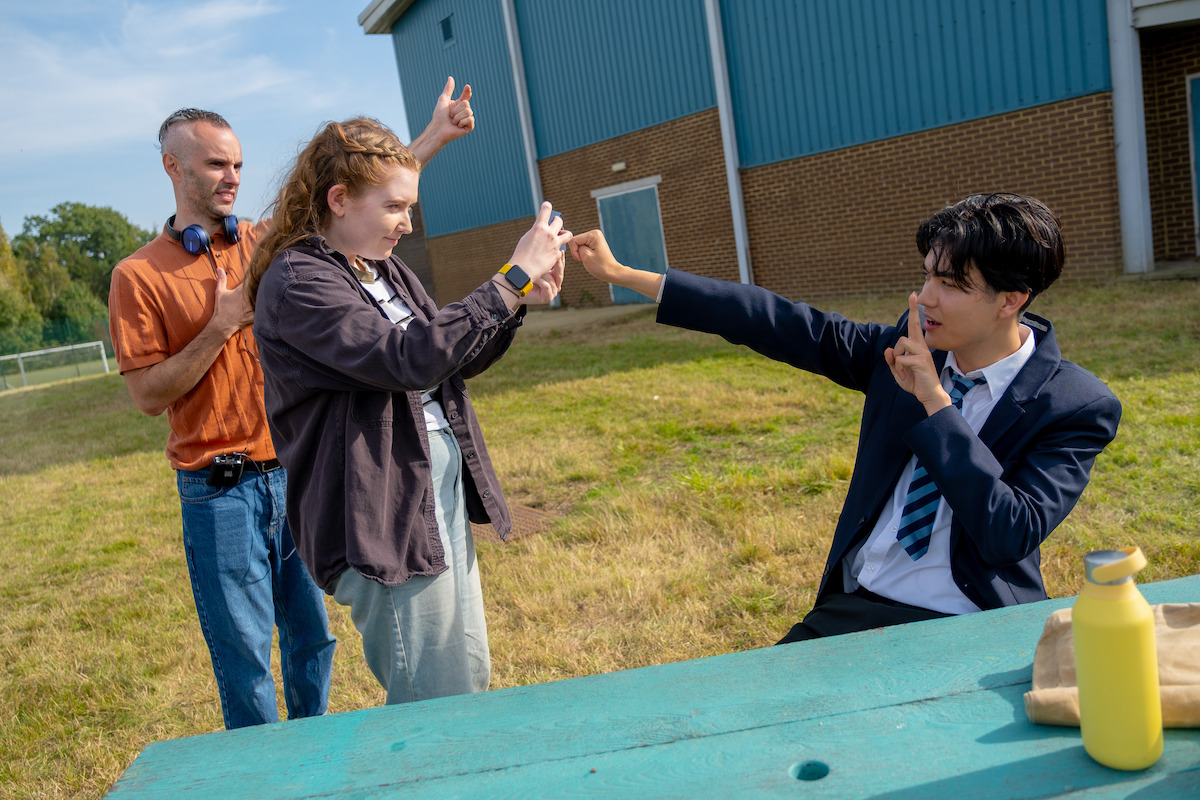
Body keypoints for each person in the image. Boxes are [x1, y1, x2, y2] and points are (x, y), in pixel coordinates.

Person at [570, 193, 1122, 642]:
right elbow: (774, 321)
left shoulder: (1074, 405)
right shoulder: (899, 349)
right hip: (858, 606)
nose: (924, 298)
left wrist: (937, 404)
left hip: (971, 621)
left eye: (951, 285)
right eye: (927, 276)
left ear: (1011, 300)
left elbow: (1009, 533)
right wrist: (624, 274)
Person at [107, 78, 476, 728]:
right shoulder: (137, 276)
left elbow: (351, 193)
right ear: (172, 166)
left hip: (295, 475)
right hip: (218, 492)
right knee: (245, 656)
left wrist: (434, 138)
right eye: (215, 164)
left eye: (238, 164)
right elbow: (146, 395)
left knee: (313, 642)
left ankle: (315, 762)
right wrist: (220, 325)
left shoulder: (265, 246)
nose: (232, 177)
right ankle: (263, 771)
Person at [244, 116, 569, 704]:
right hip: (382, 515)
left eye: (410, 207)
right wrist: (509, 277)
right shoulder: (299, 281)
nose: (408, 223)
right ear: (338, 200)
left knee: (465, 677)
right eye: (394, 206)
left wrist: (516, 299)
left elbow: (449, 359)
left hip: (432, 494)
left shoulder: (383, 268)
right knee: (434, 697)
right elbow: (407, 359)